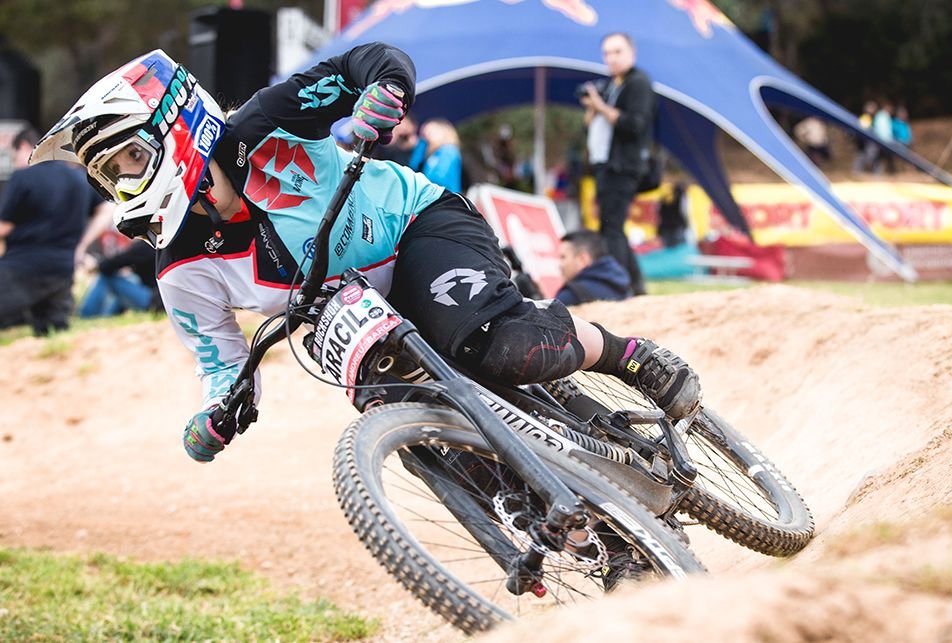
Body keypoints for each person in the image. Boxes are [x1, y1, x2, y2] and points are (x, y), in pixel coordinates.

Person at [31, 45, 700, 463]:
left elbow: (368, 63)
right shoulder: (180, 269)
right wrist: (217, 411)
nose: (122, 184)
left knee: (499, 348)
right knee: (415, 436)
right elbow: (221, 360)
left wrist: (384, 92)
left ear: (173, 127)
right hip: (349, 315)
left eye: (128, 158)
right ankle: (578, 527)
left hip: (415, 228)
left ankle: (631, 355)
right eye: (108, 174)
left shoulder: (265, 122)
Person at [0, 126, 112, 335]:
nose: (16, 162)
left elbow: (4, 227)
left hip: (21, 266)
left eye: (14, 157)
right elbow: (107, 209)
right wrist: (81, 245)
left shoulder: (23, 177)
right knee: (53, 332)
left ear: (24, 147)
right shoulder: (78, 178)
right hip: (62, 268)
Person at [580, 32, 656, 296]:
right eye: (607, 53)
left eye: (617, 52)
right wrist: (593, 107)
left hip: (623, 166)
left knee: (611, 228)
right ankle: (635, 286)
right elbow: (589, 128)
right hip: (605, 164)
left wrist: (600, 106)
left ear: (632, 53)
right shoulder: (613, 84)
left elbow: (634, 125)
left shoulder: (638, 83)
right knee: (612, 226)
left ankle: (619, 286)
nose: (611, 58)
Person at [555, 230, 632, 306]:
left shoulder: (569, 296)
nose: (560, 264)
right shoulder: (622, 287)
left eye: (563, 257)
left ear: (582, 259)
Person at [409, 117, 463, 192]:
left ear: (443, 132)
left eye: (431, 132)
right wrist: (422, 142)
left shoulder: (448, 150)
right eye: (424, 134)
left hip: (445, 195)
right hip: (438, 194)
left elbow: (439, 179)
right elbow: (413, 166)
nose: (427, 136)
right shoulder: (433, 154)